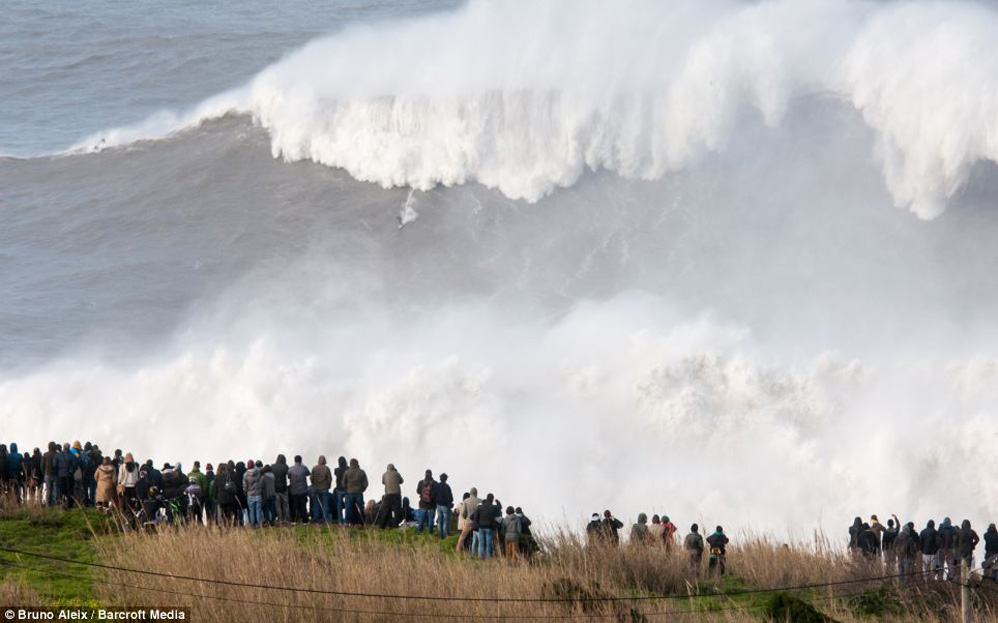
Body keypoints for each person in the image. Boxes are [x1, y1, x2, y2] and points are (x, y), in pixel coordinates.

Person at [471, 493, 499, 559]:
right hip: (489, 528)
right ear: (492, 499)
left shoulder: (480, 507)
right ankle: (488, 557)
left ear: (486, 498)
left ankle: (481, 557)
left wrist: (478, 524)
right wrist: (498, 502)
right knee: (489, 543)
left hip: (481, 527)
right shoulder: (493, 507)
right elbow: (499, 507)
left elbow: (476, 517)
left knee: (481, 543)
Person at [455, 488, 481, 554]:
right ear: (476, 493)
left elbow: (463, 513)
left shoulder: (466, 501)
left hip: (468, 521)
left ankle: (457, 550)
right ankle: (478, 553)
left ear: (470, 493)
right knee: (478, 539)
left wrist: (466, 518)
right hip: (477, 523)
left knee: (462, 537)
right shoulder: (480, 501)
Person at [344, 458, 368, 525]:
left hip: (349, 492)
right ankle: (362, 522)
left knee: (349, 508)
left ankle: (349, 522)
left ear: (350, 464)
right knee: (360, 508)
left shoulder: (347, 472)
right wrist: (362, 490)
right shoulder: (362, 472)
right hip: (359, 492)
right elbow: (366, 484)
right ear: (357, 463)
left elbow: (343, 483)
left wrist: (347, 489)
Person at [379, 464, 404, 529]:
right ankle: (395, 525)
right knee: (396, 510)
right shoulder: (397, 474)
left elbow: (383, 482)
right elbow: (401, 481)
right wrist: (396, 472)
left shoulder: (384, 474)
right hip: (396, 495)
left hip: (388, 495)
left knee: (386, 510)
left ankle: (382, 526)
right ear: (393, 468)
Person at [288, 456, 310, 525]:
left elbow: (288, 476)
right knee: (303, 506)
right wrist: (303, 465)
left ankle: (293, 521)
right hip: (303, 490)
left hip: (294, 491)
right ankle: (305, 521)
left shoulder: (290, 469)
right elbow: (309, 473)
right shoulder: (304, 468)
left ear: (294, 461)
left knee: (294, 506)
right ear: (301, 461)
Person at [311, 456, 333, 523]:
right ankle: (325, 519)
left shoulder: (314, 468)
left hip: (316, 488)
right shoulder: (327, 469)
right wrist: (329, 486)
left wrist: (313, 484)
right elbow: (330, 479)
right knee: (325, 504)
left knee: (316, 504)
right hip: (324, 488)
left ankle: (316, 519)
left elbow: (311, 478)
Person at [415, 470, 437, 535]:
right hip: (432, 504)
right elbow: (437, 493)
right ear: (431, 474)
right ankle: (430, 534)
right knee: (431, 520)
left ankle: (419, 532)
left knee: (421, 519)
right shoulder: (435, 483)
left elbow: (418, 491)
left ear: (425, 474)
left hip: (422, 504)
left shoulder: (421, 482)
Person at [242, 460, 263, 528]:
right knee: (258, 510)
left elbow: (244, 486)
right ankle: (259, 524)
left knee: (251, 511)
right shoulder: (258, 472)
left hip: (250, 495)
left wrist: (245, 493)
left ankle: (253, 525)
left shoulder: (245, 475)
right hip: (258, 494)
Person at [272, 455, 290, 525]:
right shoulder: (285, 467)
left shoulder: (273, 467)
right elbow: (289, 475)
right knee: (286, 504)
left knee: (278, 505)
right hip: (284, 488)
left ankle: (280, 519)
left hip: (276, 488)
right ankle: (287, 519)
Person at [436, 473, 454, 538]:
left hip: (438, 505)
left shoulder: (437, 486)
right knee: (445, 521)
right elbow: (450, 497)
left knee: (440, 519)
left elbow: (434, 494)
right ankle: (444, 534)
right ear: (446, 479)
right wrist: (450, 502)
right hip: (445, 506)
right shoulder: (447, 486)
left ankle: (440, 534)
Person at [333, 457, 349, 524]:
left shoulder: (336, 470)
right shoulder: (348, 469)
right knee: (348, 505)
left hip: (339, 489)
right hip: (346, 489)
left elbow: (335, 474)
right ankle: (346, 520)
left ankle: (340, 520)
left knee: (339, 505)